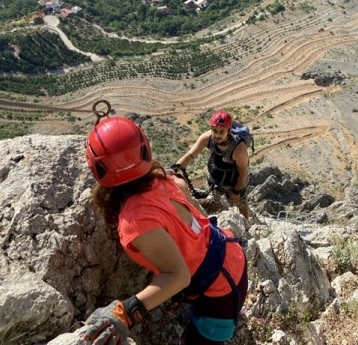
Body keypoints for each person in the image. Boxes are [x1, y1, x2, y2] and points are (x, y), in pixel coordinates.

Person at [80, 115, 248, 345]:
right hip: (230, 255)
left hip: (220, 291)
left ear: (98, 168)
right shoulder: (166, 180)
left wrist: (126, 313)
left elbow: (178, 276)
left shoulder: (136, 221)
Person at [173, 110, 251, 218]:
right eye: (215, 130)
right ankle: (216, 209)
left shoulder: (239, 149)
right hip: (215, 177)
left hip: (234, 181)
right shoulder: (207, 138)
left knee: (241, 203)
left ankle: (246, 221)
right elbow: (190, 155)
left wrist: (237, 192)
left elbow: (243, 172)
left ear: (229, 131)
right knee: (214, 200)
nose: (217, 135)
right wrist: (174, 169)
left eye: (222, 131)